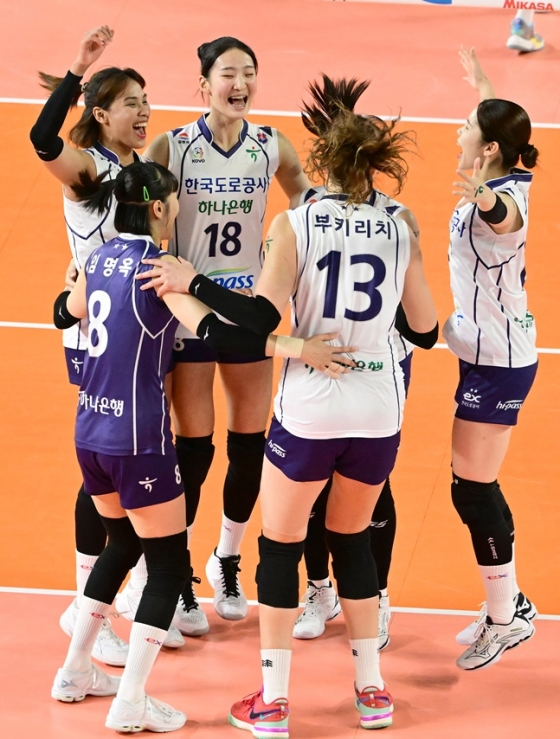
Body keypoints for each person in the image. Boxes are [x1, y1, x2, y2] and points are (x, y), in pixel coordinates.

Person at [139, 75, 437, 734]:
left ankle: (273, 701)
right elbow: (423, 330)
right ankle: (372, 692)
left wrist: (195, 282)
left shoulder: (295, 223)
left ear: (323, 160)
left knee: (281, 544)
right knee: (352, 539)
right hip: (378, 406)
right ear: (375, 162)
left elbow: (255, 321)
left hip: (310, 406)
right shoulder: (401, 225)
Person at [50, 160, 350, 734]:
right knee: (167, 566)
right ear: (159, 208)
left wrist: (70, 291)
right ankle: (131, 701)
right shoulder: (157, 272)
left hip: (89, 430)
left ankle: (73, 671)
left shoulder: (98, 257)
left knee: (120, 544)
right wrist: (299, 347)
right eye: (175, 202)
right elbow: (221, 335)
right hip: (137, 441)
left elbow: (65, 311)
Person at [127, 36, 312, 630]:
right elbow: (136, 209)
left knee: (250, 443)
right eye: (229, 73)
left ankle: (226, 557)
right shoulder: (174, 146)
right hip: (187, 309)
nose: (241, 83)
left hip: (244, 307)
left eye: (249, 72)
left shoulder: (270, 145)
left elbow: (305, 201)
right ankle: (176, 570)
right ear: (204, 86)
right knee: (195, 448)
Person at [28, 25, 188, 659]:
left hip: (135, 322)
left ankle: (128, 589)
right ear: (100, 113)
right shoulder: (91, 166)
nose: (144, 111)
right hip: (100, 330)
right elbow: (42, 141)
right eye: (130, 103)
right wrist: (77, 68)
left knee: (126, 455)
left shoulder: (132, 170)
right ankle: (85, 604)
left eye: (147, 101)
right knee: (107, 458)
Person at [289, 77, 437, 647]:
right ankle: (319, 588)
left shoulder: (399, 219)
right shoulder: (309, 211)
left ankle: (377, 594)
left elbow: (414, 314)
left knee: (370, 486)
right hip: (319, 360)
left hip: (379, 363)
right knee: (310, 484)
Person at [446, 47, 539, 670]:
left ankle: (506, 621)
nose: (459, 131)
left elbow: (505, 220)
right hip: (485, 351)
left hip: (499, 362)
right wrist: (483, 84)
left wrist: (482, 197)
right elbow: (493, 128)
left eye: (468, 127)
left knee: (471, 489)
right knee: (473, 485)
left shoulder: (505, 202)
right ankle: (511, 604)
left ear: (490, 151)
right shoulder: (505, 171)